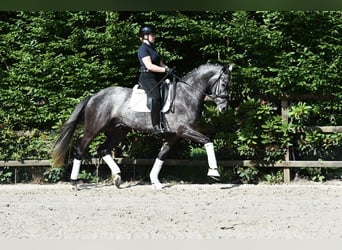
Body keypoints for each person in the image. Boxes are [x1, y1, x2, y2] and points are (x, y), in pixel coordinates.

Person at [137, 24, 172, 133]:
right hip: (147, 77)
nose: (154, 37)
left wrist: (168, 68)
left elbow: (159, 63)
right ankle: (156, 125)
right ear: (145, 36)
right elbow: (150, 66)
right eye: (152, 35)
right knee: (156, 97)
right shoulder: (143, 49)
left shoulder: (152, 48)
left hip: (156, 76)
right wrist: (164, 70)